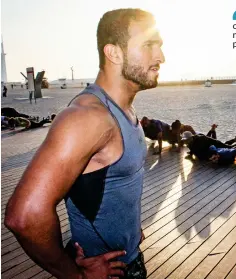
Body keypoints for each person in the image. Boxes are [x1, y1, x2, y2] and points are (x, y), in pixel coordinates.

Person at [5, 8, 165, 279]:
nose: (161, 57)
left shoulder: (124, 111)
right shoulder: (88, 117)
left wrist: (129, 230)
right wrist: (75, 276)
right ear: (113, 53)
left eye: (159, 46)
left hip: (131, 262)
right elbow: (24, 217)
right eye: (149, 45)